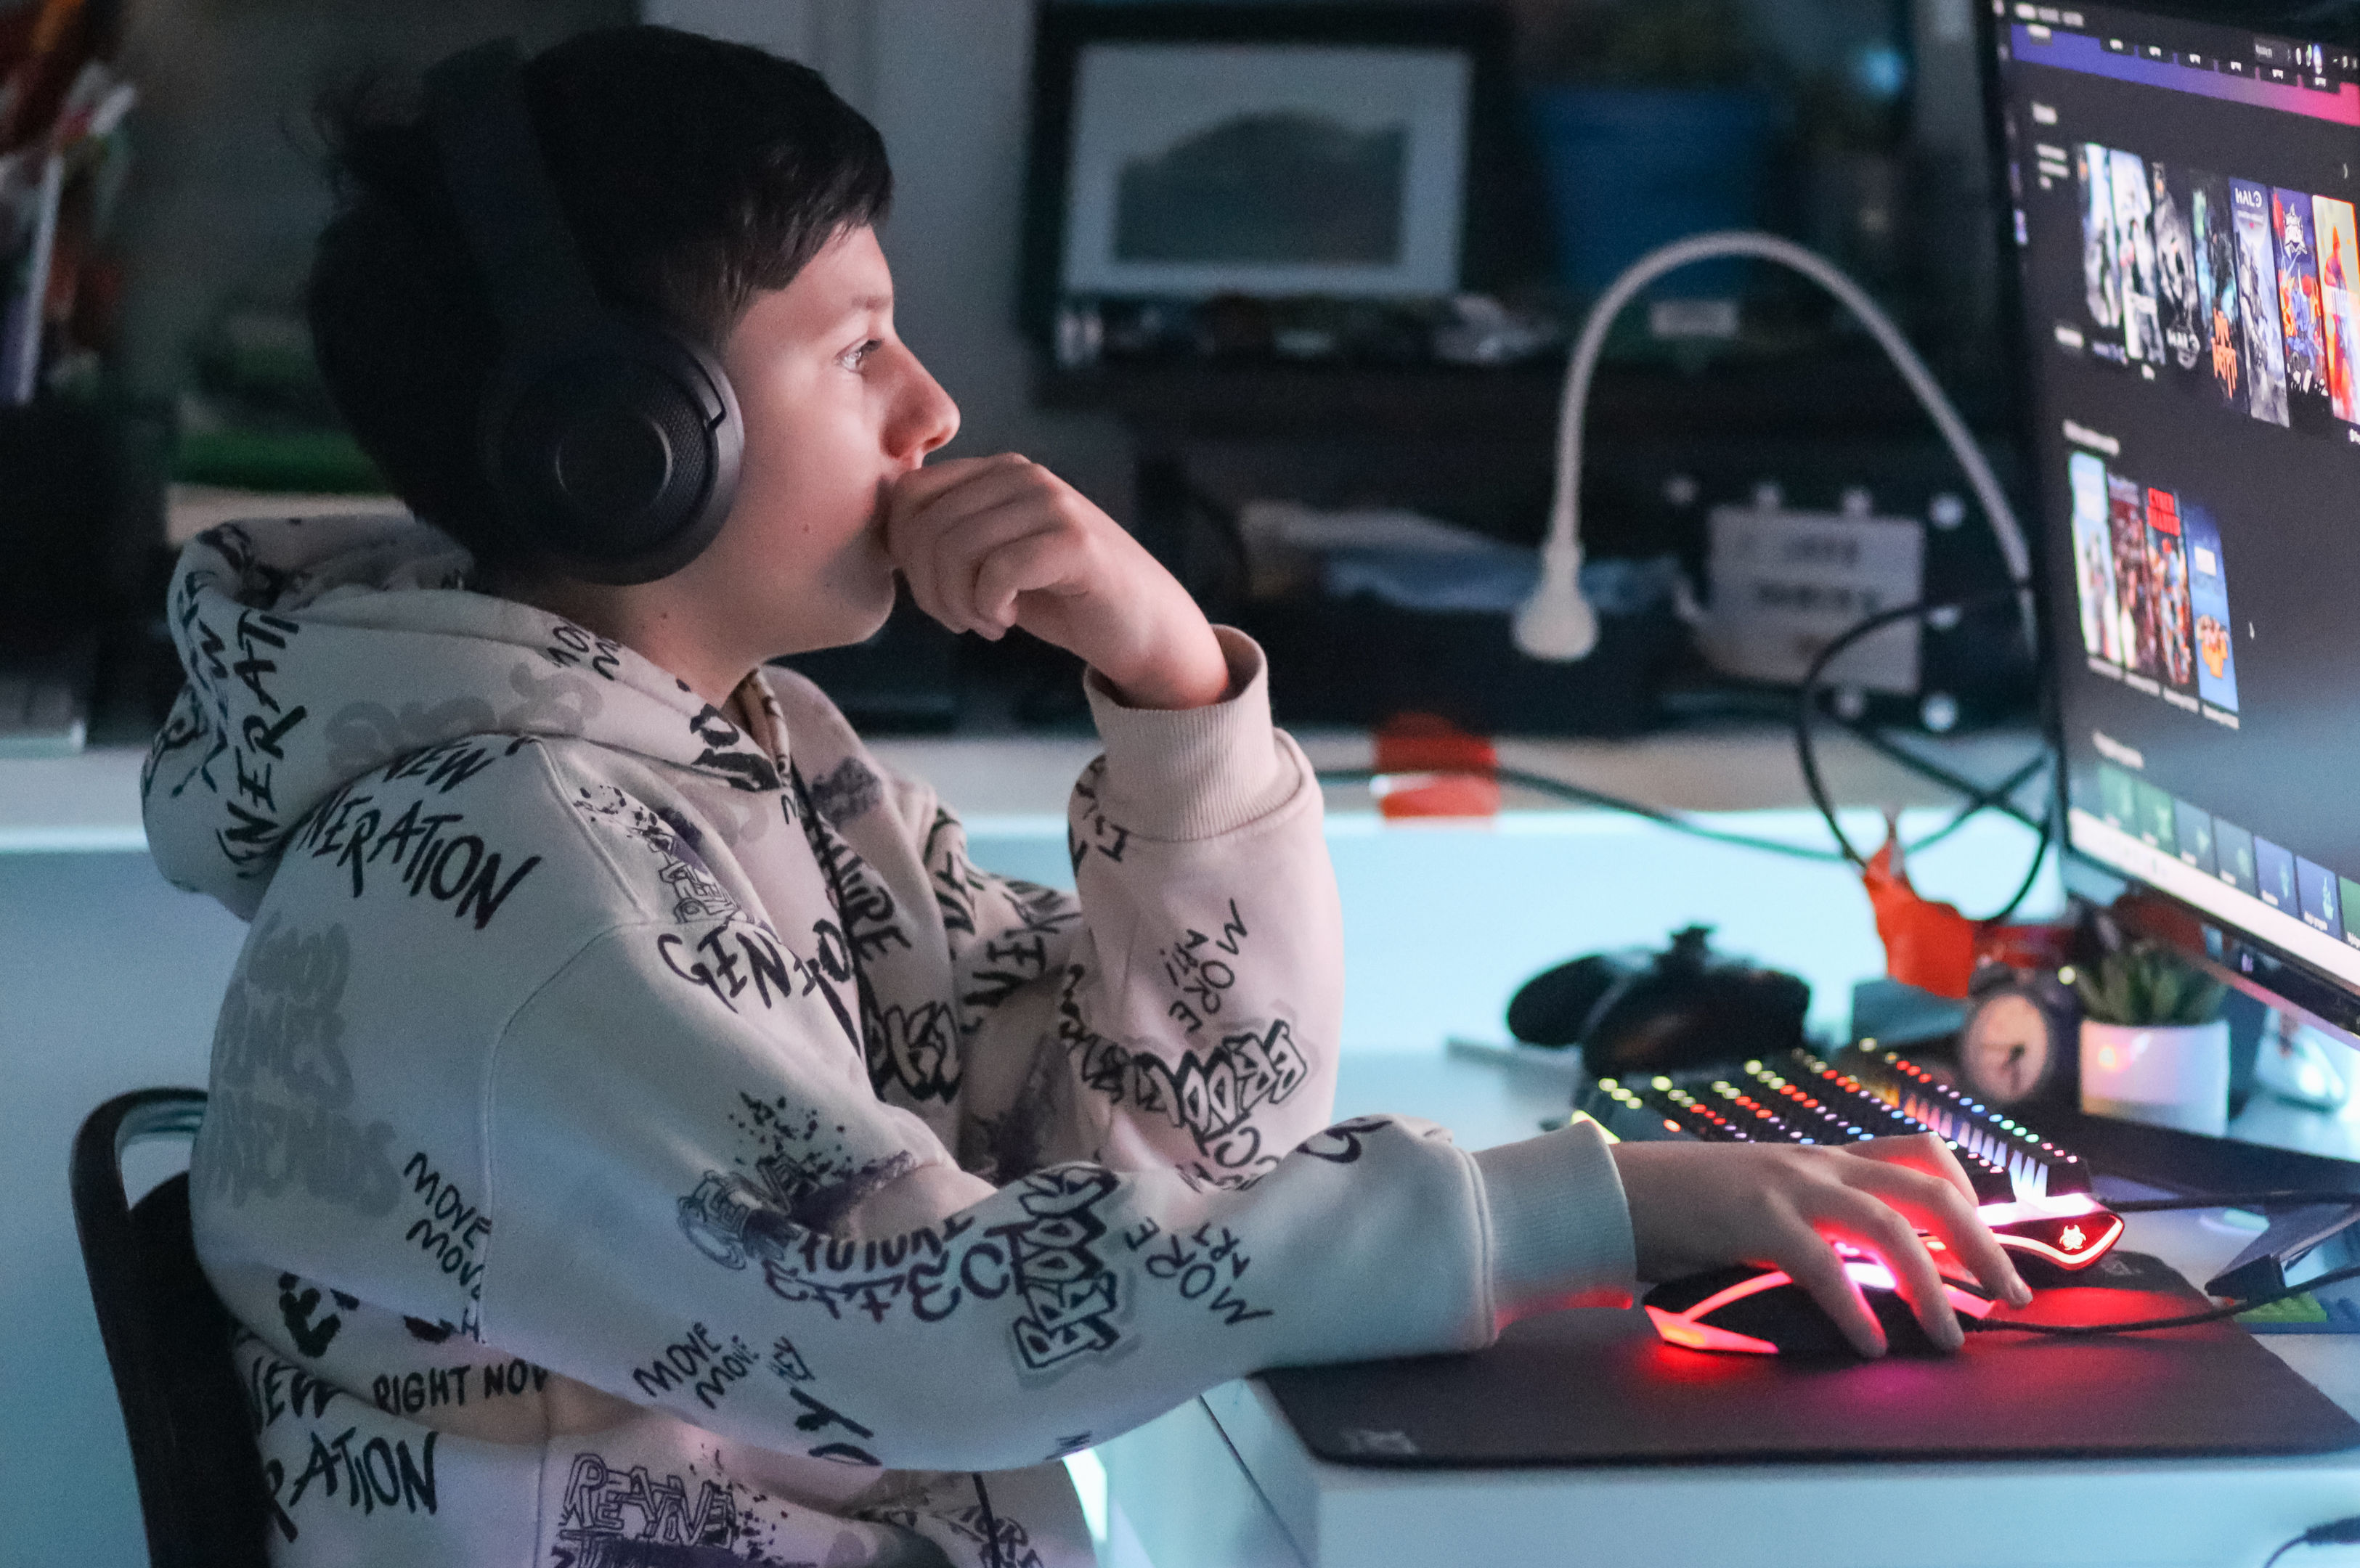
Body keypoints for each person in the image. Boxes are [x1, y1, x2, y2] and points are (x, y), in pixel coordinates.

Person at [144, 27, 2026, 1568]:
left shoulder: (763, 767)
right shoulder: (525, 871)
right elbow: (936, 1331)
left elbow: (1179, 1147)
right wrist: (1581, 1212)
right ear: (627, 444)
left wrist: (1178, 693)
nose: (932, 410)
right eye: (858, 345)